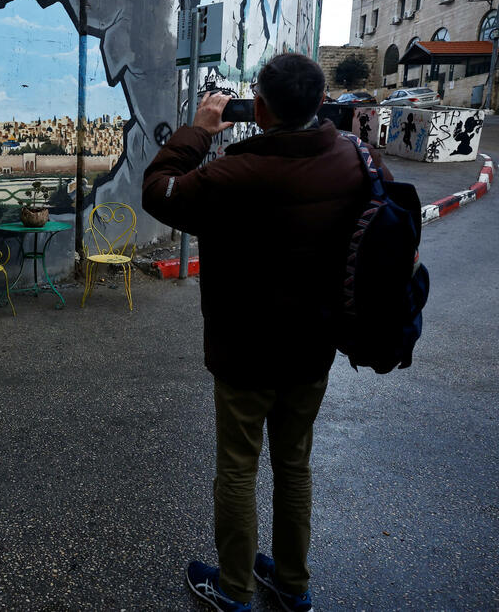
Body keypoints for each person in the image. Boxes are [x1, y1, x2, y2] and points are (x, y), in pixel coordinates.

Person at [142, 53, 390, 612]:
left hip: (244, 351)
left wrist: (199, 131)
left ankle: (235, 587)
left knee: (237, 466)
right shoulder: (354, 159)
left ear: (257, 107)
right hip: (312, 349)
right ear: (319, 102)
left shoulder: (231, 174)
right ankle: (293, 582)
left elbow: (158, 189)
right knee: (294, 464)